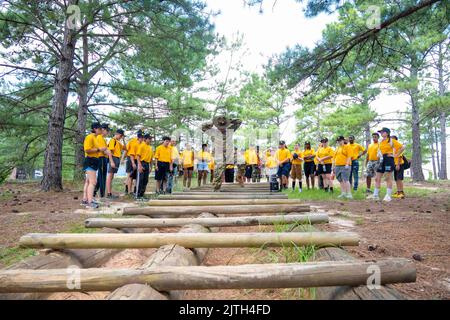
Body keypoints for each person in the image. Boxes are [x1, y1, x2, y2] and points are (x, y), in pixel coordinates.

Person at [367, 127, 405, 202]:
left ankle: (388, 195)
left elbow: (402, 147)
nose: (381, 133)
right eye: (380, 132)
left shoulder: (392, 140)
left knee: (388, 177)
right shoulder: (380, 141)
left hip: (389, 159)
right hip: (381, 160)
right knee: (377, 178)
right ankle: (375, 195)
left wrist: (395, 155)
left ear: (387, 133)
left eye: (382, 132)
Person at [82, 122, 102, 209]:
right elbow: (87, 150)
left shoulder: (95, 138)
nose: (101, 130)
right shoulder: (90, 137)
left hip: (94, 161)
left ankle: (85, 199)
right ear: (95, 129)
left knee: (88, 181)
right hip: (91, 160)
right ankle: (90, 202)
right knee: (93, 182)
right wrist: (99, 149)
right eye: (99, 129)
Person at [105, 129, 125, 199]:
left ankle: (110, 192)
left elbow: (125, 148)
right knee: (110, 176)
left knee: (112, 176)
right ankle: (108, 193)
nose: (121, 137)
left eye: (122, 136)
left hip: (117, 158)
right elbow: (110, 152)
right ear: (118, 134)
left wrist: (124, 140)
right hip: (113, 158)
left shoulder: (118, 142)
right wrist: (112, 161)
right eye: (121, 136)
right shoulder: (112, 140)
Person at [94, 123, 111, 198]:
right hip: (101, 158)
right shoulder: (99, 137)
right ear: (103, 130)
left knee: (100, 176)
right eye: (107, 130)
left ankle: (94, 191)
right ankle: (102, 195)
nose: (108, 132)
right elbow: (103, 150)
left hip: (104, 158)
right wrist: (108, 153)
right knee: (102, 177)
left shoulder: (103, 139)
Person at [124, 131, 143, 195]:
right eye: (141, 137)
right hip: (131, 159)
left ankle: (134, 189)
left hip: (137, 160)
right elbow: (126, 150)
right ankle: (128, 190)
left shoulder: (142, 144)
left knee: (136, 176)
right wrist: (123, 159)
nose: (142, 139)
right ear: (138, 137)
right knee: (130, 175)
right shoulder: (132, 142)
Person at [135, 134, 153, 199]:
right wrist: (139, 165)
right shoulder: (142, 146)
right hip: (141, 163)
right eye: (149, 139)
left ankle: (142, 195)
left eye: (151, 139)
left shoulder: (150, 148)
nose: (151, 140)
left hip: (147, 164)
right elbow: (137, 156)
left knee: (146, 180)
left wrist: (151, 167)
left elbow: (151, 159)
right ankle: (138, 196)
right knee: (140, 180)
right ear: (145, 139)